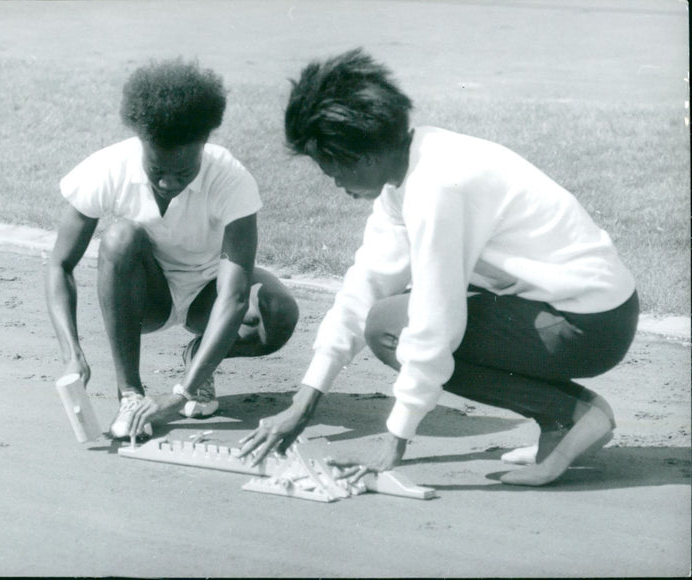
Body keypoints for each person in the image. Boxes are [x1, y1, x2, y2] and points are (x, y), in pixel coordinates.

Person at [239, 48, 639, 487]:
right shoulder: (408, 170)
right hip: (570, 310)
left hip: (589, 326)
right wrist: (305, 399)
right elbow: (365, 284)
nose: (333, 182)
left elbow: (435, 322)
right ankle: (564, 421)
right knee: (385, 315)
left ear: (362, 155)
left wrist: (394, 440)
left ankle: (573, 416)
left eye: (330, 168)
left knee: (393, 326)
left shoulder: (437, 186)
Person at [46, 58, 299, 441]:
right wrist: (72, 352)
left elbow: (232, 298)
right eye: (156, 170)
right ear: (142, 146)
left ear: (203, 147)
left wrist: (182, 394)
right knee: (119, 237)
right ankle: (130, 394)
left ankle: (199, 362)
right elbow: (59, 266)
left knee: (277, 312)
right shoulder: (109, 167)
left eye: (183, 173)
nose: (167, 182)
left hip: (208, 296)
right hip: (147, 298)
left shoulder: (231, 178)